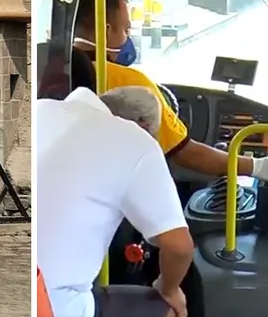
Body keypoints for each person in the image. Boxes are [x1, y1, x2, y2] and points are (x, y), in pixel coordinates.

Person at [73, 0, 268, 186]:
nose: (128, 38)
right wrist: (257, 166)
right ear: (106, 30)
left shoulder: (52, 70)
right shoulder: (129, 81)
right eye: (126, 30)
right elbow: (186, 154)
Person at [37, 86, 193, 317]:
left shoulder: (41, 108)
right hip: (53, 305)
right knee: (168, 309)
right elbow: (180, 247)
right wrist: (168, 288)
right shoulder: (135, 140)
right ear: (142, 124)